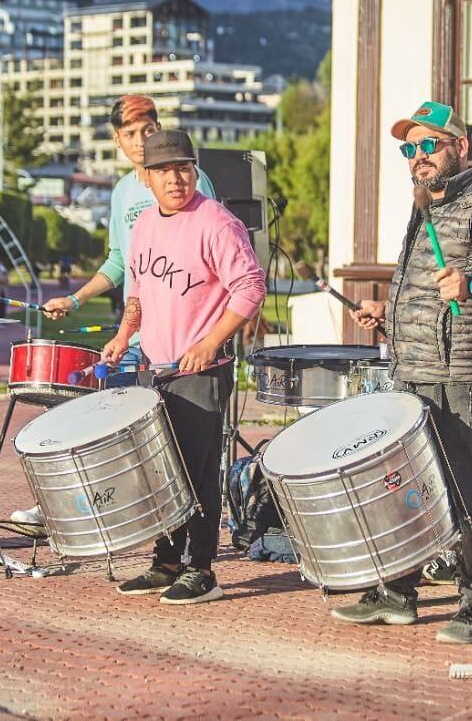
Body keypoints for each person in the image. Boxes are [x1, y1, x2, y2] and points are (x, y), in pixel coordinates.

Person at [335, 100, 472, 645]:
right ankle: (398, 595)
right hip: (414, 369)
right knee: (406, 486)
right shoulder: (427, 203)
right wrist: (389, 311)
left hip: (462, 373)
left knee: (470, 492)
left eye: (429, 145)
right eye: (409, 148)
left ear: (460, 146)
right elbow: (426, 281)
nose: (418, 156)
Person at [13, 95, 218, 530]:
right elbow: (122, 263)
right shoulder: (124, 193)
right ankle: (69, 501)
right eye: (131, 134)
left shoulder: (189, 182)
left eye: (149, 130)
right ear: (117, 140)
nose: (142, 141)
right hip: (138, 334)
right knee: (99, 411)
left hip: (187, 342)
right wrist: (76, 299)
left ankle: (184, 543)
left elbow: (216, 255)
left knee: (175, 443)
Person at [101, 129, 265, 604]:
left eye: (184, 167)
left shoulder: (215, 222)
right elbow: (138, 293)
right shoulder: (145, 225)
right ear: (146, 177)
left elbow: (250, 286)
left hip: (200, 371)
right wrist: (122, 335)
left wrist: (211, 342)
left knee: (197, 471)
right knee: (162, 470)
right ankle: (167, 560)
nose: (176, 178)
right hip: (157, 368)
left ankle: (203, 569)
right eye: (164, 170)